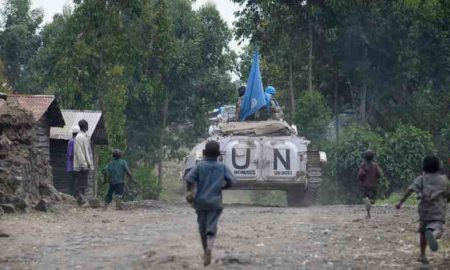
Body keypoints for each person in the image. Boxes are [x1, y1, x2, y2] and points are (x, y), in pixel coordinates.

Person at [184, 140, 235, 266]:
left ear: (205, 153)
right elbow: (231, 181)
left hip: (200, 202)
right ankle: (210, 247)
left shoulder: (200, 166)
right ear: (219, 154)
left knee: (202, 228)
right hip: (215, 202)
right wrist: (222, 187)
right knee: (211, 228)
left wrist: (190, 192)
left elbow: (189, 179)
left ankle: (204, 250)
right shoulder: (222, 167)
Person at [396, 156, 450, 264]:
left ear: (424, 167)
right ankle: (433, 235)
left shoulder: (421, 179)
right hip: (438, 210)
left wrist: (400, 202)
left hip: (424, 211)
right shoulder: (445, 180)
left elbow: (410, 189)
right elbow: (448, 195)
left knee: (423, 232)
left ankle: (422, 254)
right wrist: (446, 201)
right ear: (439, 167)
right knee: (437, 227)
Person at [73, 119, 94, 206]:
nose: (88, 127)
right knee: (81, 183)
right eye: (87, 125)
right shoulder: (79, 137)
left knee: (84, 183)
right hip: (82, 166)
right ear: (85, 126)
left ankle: (82, 200)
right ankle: (81, 200)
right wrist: (84, 164)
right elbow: (79, 152)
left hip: (86, 164)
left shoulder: (84, 137)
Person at [357, 150, 382, 219]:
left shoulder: (362, 165)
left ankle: (368, 213)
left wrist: (361, 180)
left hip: (365, 185)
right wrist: (376, 178)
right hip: (374, 185)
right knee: (373, 200)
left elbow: (360, 175)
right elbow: (379, 174)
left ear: (364, 157)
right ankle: (371, 201)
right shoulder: (375, 165)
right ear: (373, 157)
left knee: (366, 198)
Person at [66, 125, 79, 196]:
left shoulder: (71, 141)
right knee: (73, 182)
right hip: (73, 166)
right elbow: (71, 155)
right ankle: (72, 197)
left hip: (71, 166)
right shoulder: (73, 141)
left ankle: (72, 196)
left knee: (73, 182)